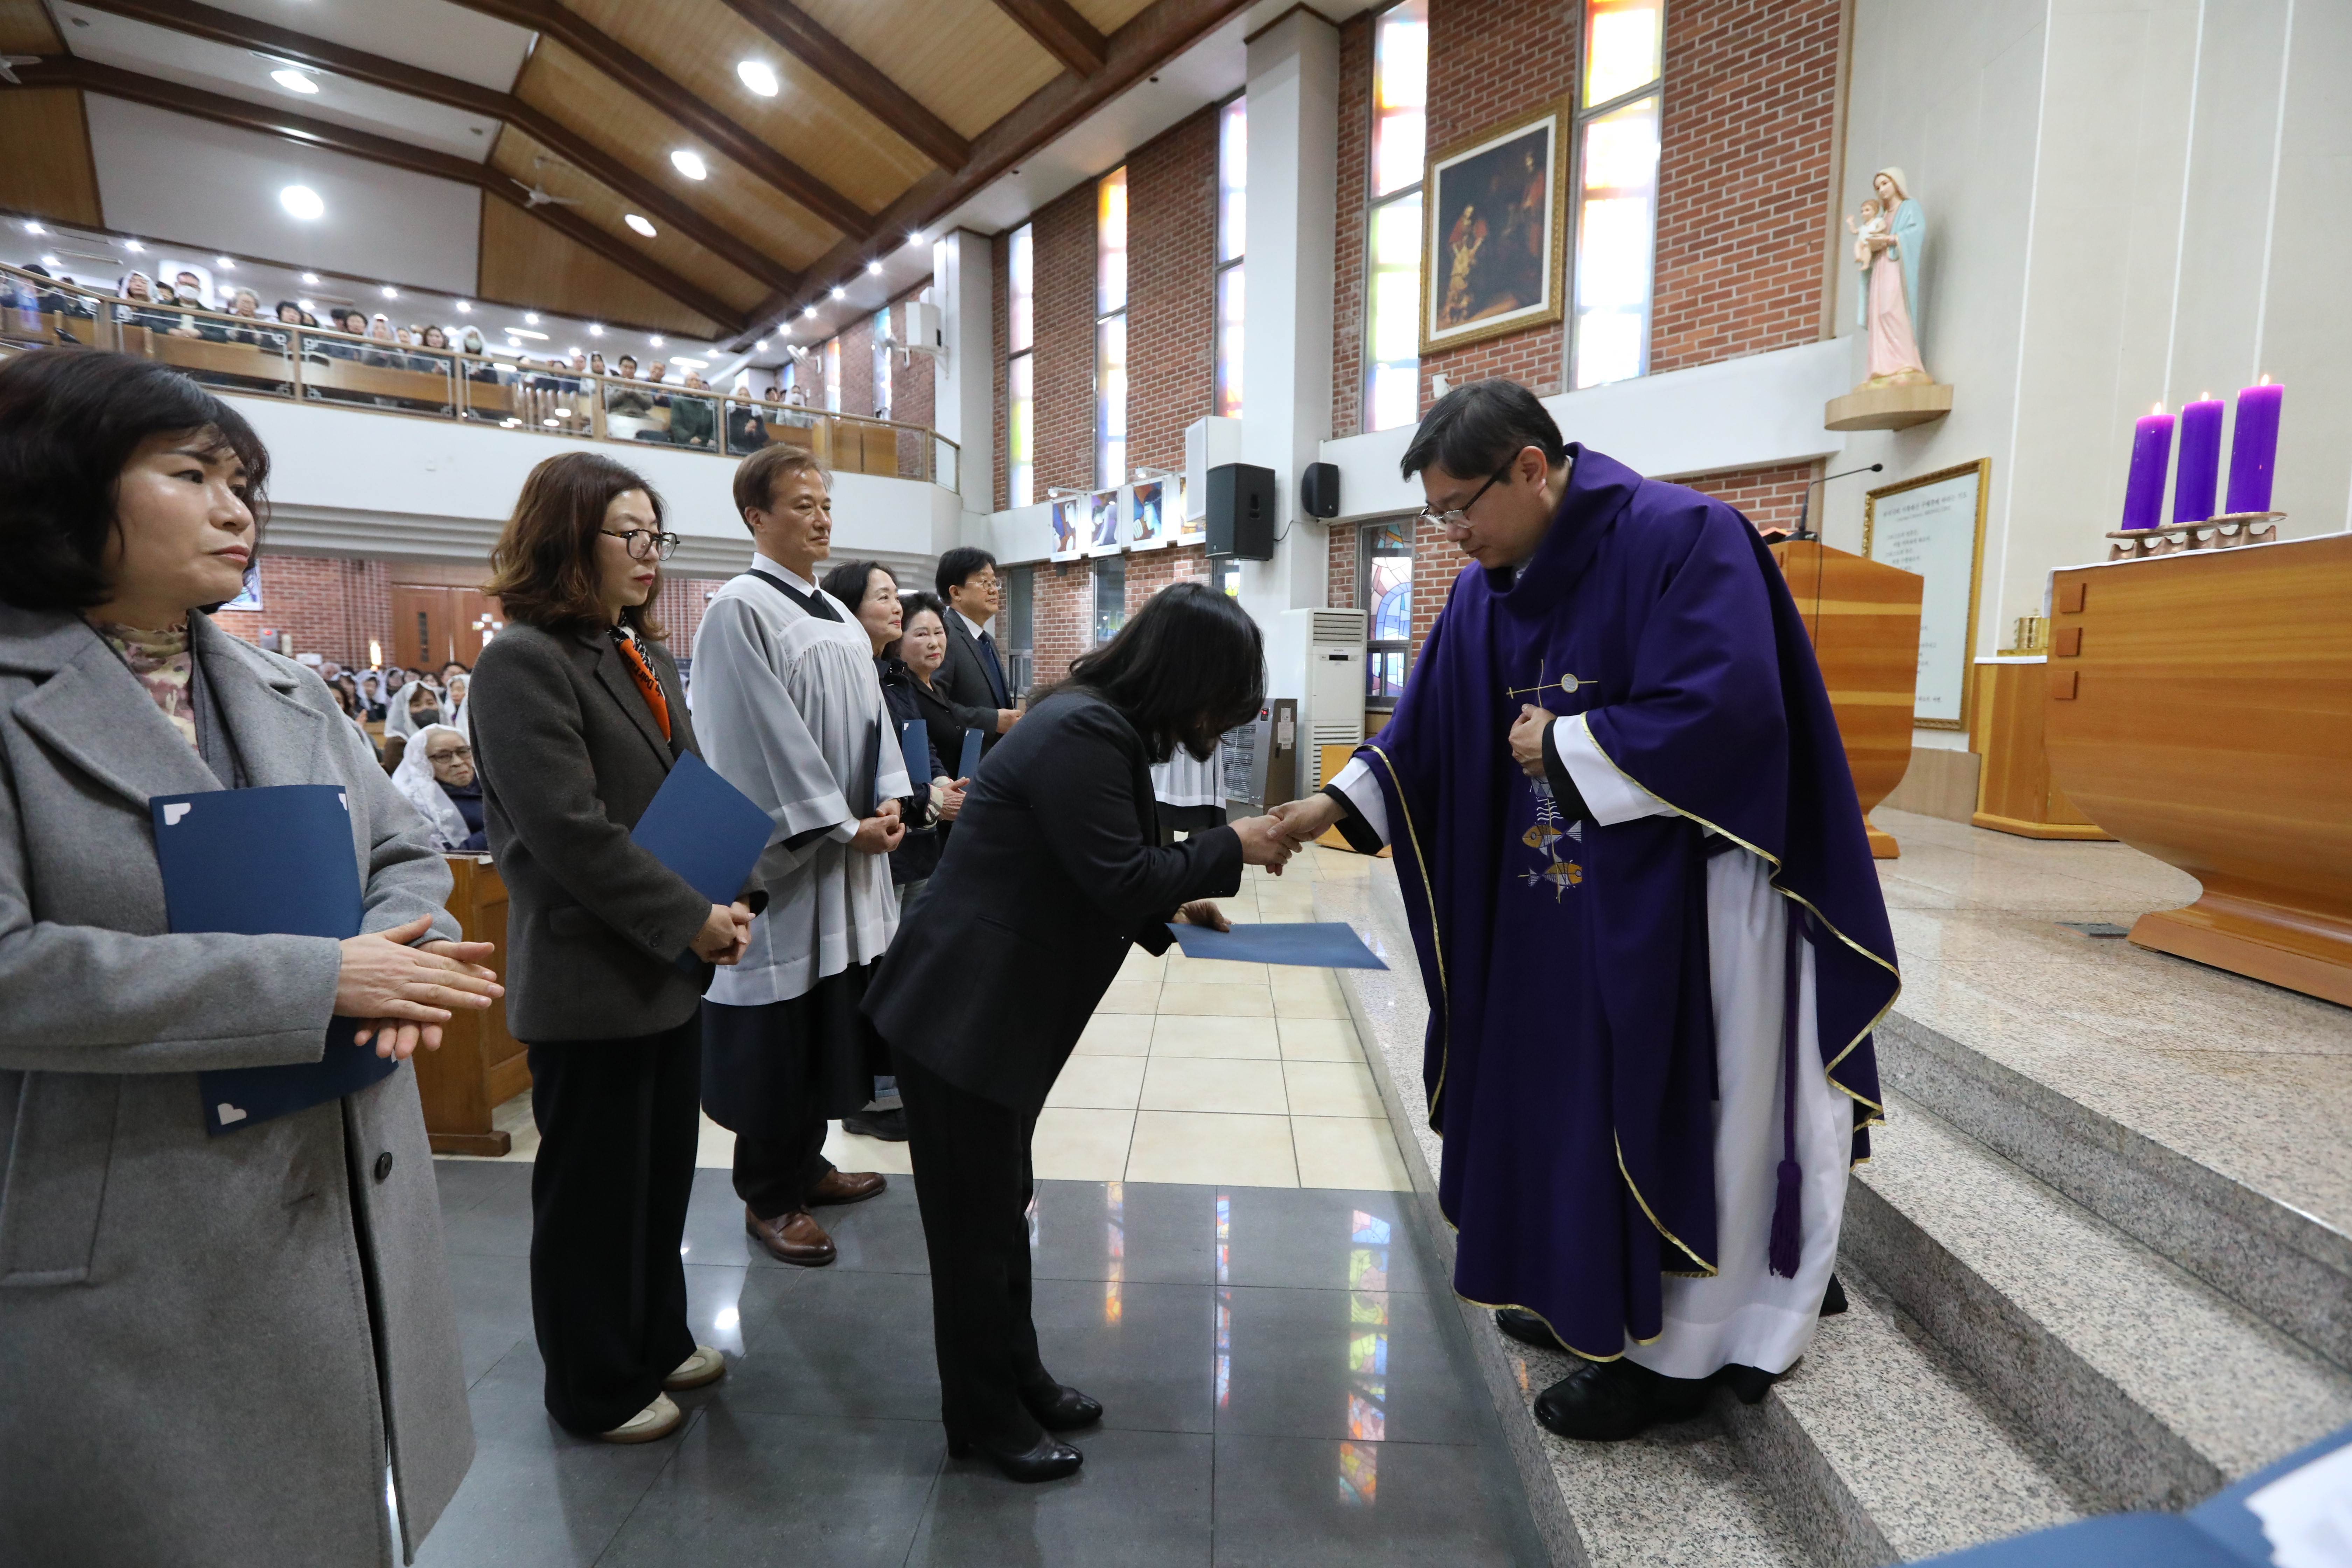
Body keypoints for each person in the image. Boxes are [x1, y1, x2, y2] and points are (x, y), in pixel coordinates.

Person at [1271, 380, 1897, 1441]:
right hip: (1551, 910)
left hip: (1693, 898)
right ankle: (1595, 1285)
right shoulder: (1486, 590)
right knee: (1568, 1095)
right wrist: (1328, 805)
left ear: (1530, 466)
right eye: (1437, 514)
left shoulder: (1683, 537)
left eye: (1459, 507)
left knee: (1692, 1104)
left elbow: (1732, 708)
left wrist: (1567, 743)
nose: (1452, 533)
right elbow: (1426, 729)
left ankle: (1689, 1345)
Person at [0, 348, 503, 1561]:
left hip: (339, 1170)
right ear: (59, 483)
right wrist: (318, 981)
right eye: (192, 475)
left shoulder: (282, 686)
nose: (237, 510)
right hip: (138, 1212)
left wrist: (403, 950)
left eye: (243, 482)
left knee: (335, 1502)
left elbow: (403, 851)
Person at [866, 582, 1299, 1482]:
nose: (1217, 722)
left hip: (990, 1013)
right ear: (1187, 679)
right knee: (974, 1231)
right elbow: (1119, 874)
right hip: (962, 1012)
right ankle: (984, 1417)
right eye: (1220, 699)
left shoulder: (1092, 722)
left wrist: (1176, 903)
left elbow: (1087, 864)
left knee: (1001, 1209)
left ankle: (1017, 1374)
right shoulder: (1084, 730)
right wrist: (1232, 846)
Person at [470, 451, 754, 1445]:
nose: (649, 553)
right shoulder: (522, 662)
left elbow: (690, 789)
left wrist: (731, 892)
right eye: (628, 535)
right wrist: (689, 916)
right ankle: (593, 1384)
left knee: (658, 1182)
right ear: (565, 540)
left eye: (655, 535)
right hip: (591, 975)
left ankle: (655, 1336)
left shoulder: (639, 653)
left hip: (664, 969)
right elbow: (571, 833)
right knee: (593, 1199)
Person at [689, 446, 898, 1268]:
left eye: (826, 505)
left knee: (825, 1021)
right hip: (789, 860)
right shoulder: (739, 609)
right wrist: (840, 826)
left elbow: (875, 723)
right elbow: (753, 745)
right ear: (757, 516)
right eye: (802, 505)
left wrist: (890, 797)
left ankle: (807, 1165)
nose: (820, 519)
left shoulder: (838, 615)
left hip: (845, 855)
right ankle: (769, 1195)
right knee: (776, 1035)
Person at [820, 559, 962, 1143]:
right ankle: (872, 1098)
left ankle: (898, 1085)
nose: (896, 607)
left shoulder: (894, 678)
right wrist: (929, 798)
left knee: (908, 973)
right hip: (880, 846)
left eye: (894, 595)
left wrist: (939, 786)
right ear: (849, 609)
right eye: (882, 597)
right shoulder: (853, 677)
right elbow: (864, 768)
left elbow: (915, 750)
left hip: (917, 843)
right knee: (878, 977)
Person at [931, 546, 1020, 755]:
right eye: (983, 582)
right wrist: (992, 721)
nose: (993, 590)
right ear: (956, 592)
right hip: (961, 761)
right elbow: (933, 705)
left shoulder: (986, 640)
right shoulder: (945, 636)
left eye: (994, 582)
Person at [392, 722, 489, 852]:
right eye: (443, 756)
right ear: (423, 763)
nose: (458, 762)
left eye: (463, 752)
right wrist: (498, 829)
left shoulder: (488, 785)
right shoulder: (420, 805)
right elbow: (448, 857)